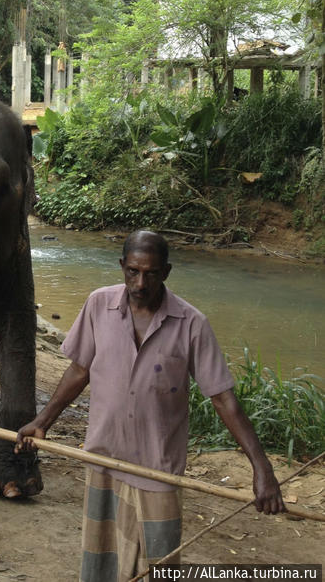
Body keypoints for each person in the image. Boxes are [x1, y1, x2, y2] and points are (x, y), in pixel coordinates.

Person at [16, 230, 284, 581]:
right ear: (122, 267)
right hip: (103, 460)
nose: (140, 282)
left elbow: (222, 398)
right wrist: (42, 421)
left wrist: (262, 468)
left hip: (157, 469)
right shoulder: (99, 304)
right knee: (101, 563)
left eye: (151, 273)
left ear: (167, 272)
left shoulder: (191, 324)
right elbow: (79, 370)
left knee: (161, 567)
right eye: (133, 271)